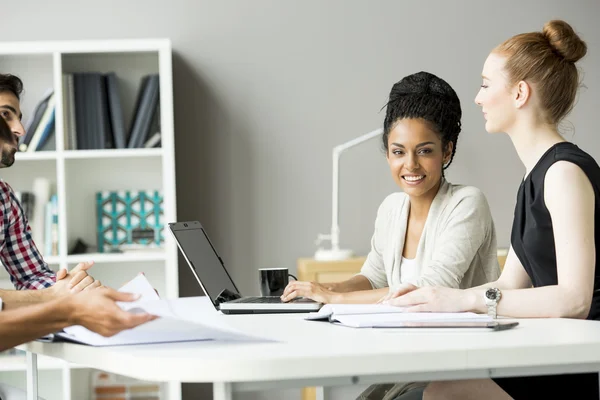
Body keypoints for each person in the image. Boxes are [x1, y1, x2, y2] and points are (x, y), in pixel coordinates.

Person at [384, 20, 599, 400]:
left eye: (485, 84)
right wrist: (432, 297)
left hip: (581, 365)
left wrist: (465, 299)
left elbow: (575, 299)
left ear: (519, 93)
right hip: (553, 351)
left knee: (444, 392)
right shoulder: (535, 176)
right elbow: (508, 285)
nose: (478, 98)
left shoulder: (564, 174)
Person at [281, 71, 501, 306]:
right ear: (387, 154)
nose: (411, 164)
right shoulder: (391, 208)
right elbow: (373, 278)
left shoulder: (467, 202)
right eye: (398, 152)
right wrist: (327, 288)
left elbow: (431, 288)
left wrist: (337, 298)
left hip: (463, 339)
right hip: (404, 335)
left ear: (446, 151)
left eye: (424, 151)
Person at [0, 73, 98, 302]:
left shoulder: (5, 199)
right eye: (5, 114)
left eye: (18, 117)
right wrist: (50, 297)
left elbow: (31, 276)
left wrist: (73, 287)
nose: (20, 130)